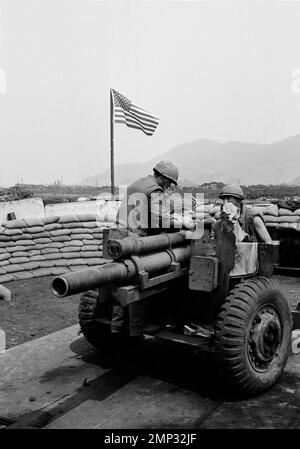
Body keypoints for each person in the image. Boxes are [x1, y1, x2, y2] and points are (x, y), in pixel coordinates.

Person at [108, 161, 194, 343]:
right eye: (169, 182)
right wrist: (182, 222)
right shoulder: (155, 190)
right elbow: (159, 217)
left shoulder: (138, 183)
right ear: (162, 177)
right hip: (133, 239)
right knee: (139, 284)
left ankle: (116, 327)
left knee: (119, 281)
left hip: (117, 236)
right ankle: (135, 332)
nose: (168, 186)